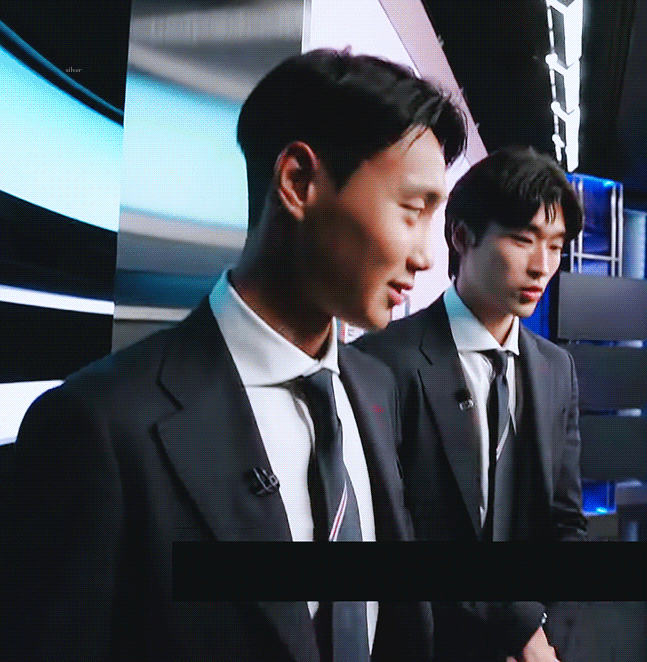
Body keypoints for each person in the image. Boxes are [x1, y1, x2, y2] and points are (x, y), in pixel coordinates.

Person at [2, 49, 467, 662]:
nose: (426, 257)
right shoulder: (98, 426)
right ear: (298, 183)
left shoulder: (377, 388)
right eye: (411, 210)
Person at [355, 146, 588, 661]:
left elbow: (566, 523)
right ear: (461, 236)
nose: (542, 266)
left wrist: (547, 639)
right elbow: (397, 534)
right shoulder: (381, 362)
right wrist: (516, 631)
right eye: (523, 239)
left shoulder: (556, 369)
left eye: (556, 246)